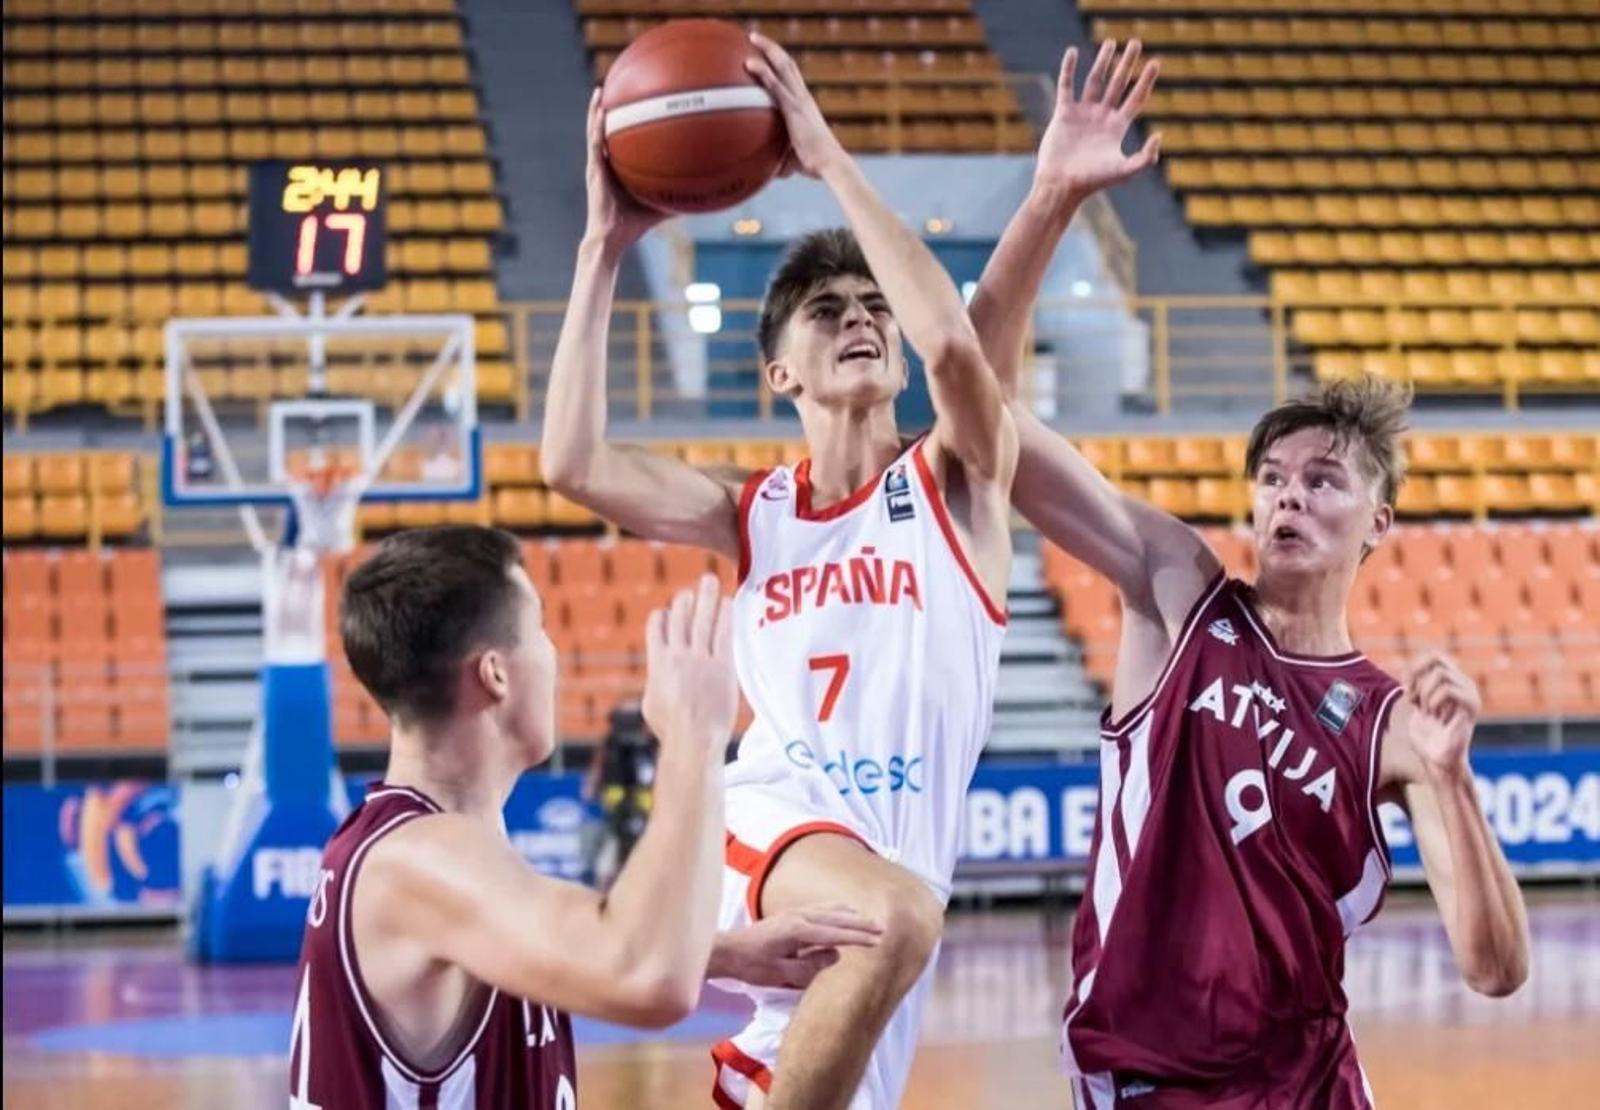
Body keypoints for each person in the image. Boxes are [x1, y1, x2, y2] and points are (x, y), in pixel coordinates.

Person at [966, 45, 1531, 1107]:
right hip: (1145, 1077)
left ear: (1379, 522)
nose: (1288, 497)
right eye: (1271, 478)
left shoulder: (1392, 725)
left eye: (1323, 481)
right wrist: (1047, 199)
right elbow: (980, 419)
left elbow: (1495, 971)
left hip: (1310, 1084)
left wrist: (1451, 781)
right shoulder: (1178, 590)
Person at [542, 33, 1018, 1110]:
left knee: (831, 1031)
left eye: (871, 308)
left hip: (892, 867)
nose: (859, 318)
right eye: (825, 311)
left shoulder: (960, 484)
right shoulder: (749, 511)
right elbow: (570, 463)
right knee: (894, 921)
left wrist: (831, 163)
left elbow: (956, 354)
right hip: (768, 818)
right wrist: (603, 249)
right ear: (779, 373)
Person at [287, 525, 883, 1107]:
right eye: (540, 631)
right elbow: (648, 979)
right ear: (495, 673)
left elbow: (558, 948)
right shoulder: (421, 859)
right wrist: (692, 738)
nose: (554, 654)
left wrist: (724, 953)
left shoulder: (418, 848)